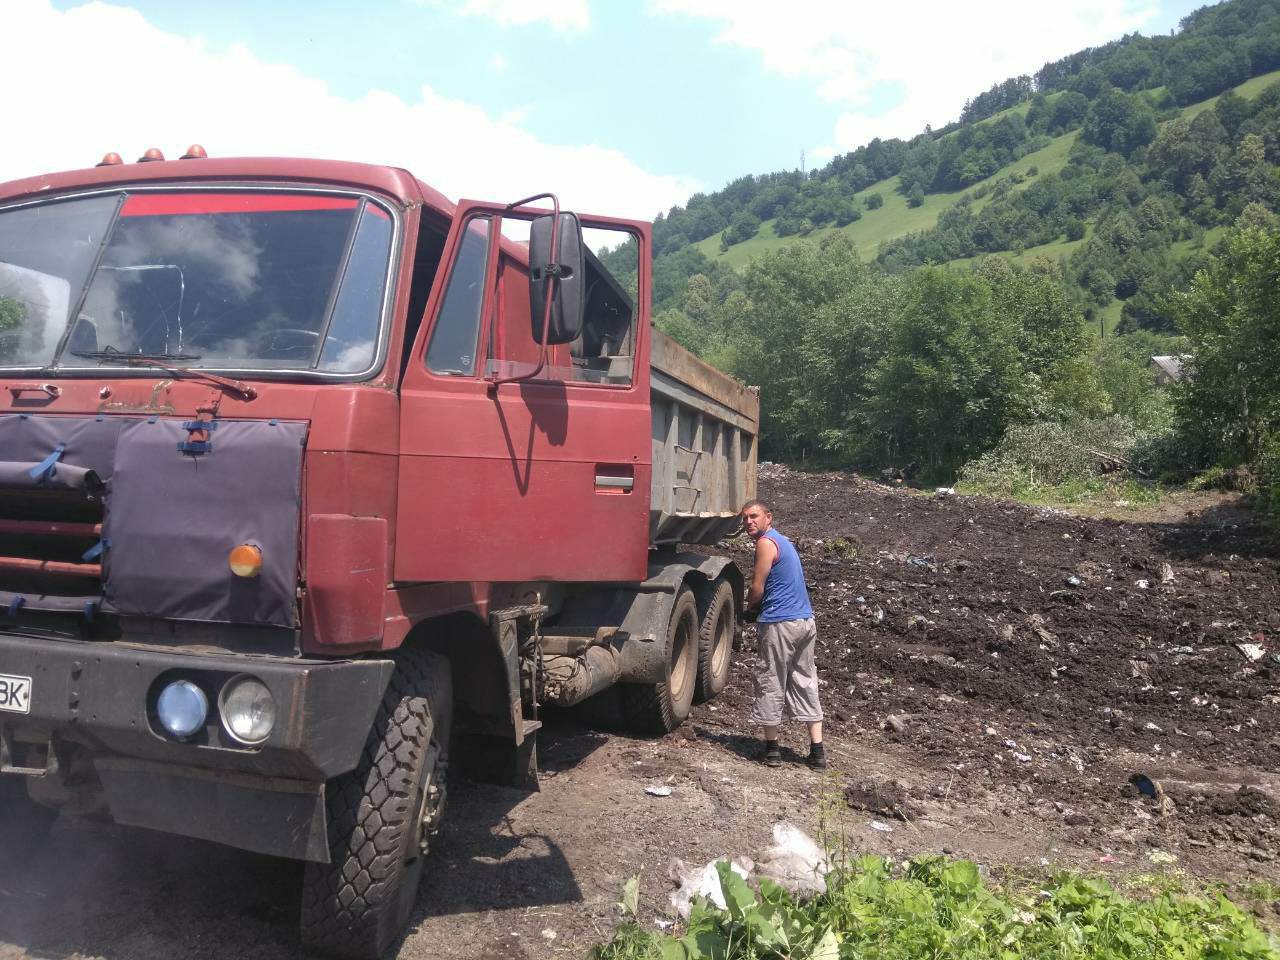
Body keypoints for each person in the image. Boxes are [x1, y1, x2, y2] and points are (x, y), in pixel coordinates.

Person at [740, 499, 825, 770]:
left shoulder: (765, 543)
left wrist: (750, 607)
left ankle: (772, 750)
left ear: (768, 518)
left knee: (770, 680)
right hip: (805, 621)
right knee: (805, 680)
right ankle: (817, 752)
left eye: (754, 516)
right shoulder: (784, 541)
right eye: (744, 519)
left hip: (780, 623)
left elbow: (757, 587)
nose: (748, 522)